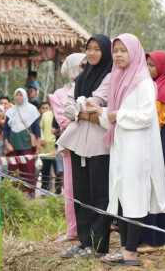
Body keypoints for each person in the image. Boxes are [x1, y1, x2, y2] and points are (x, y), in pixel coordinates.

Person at [85, 33, 165, 267]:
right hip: (121, 145)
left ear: (134, 52)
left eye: (123, 50)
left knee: (135, 196)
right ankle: (124, 249)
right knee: (122, 195)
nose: (118, 55)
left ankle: (131, 252)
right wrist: (99, 110)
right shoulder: (118, 79)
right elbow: (110, 118)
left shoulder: (143, 81)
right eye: (115, 51)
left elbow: (143, 117)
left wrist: (115, 115)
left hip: (137, 147)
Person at [57, 35, 113, 259]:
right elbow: (68, 106)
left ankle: (99, 246)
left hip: (100, 144)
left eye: (97, 49)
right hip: (80, 142)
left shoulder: (110, 76)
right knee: (81, 194)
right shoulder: (82, 77)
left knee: (100, 196)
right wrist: (81, 109)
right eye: (89, 49)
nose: (91, 53)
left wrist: (79, 110)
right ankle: (84, 242)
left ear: (105, 52)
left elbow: (96, 102)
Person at [139, 50, 165, 251]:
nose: (147, 69)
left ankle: (155, 238)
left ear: (162, 66)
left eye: (151, 65)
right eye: (145, 64)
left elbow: (160, 119)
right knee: (148, 188)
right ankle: (151, 236)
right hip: (151, 139)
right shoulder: (151, 86)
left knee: (157, 189)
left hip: (160, 139)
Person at [49, 52, 85, 243]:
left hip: (91, 143)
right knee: (70, 187)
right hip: (71, 145)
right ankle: (73, 230)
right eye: (81, 66)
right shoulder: (59, 95)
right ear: (71, 68)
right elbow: (63, 119)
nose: (85, 70)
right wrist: (85, 116)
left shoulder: (93, 87)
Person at [3, 89, 41, 197]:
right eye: (16, 95)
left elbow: (36, 128)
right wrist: (7, 143)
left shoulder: (32, 109)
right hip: (13, 144)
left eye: (21, 95)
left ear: (25, 97)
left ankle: (29, 192)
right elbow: (6, 129)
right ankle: (14, 192)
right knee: (13, 168)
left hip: (27, 144)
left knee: (28, 168)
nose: (18, 97)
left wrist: (38, 143)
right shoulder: (10, 111)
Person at [38, 102, 58, 193]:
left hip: (56, 147)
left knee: (58, 171)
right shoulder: (45, 115)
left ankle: (58, 191)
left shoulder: (60, 114)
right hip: (45, 147)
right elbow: (40, 128)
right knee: (45, 172)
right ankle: (44, 191)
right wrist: (41, 138)